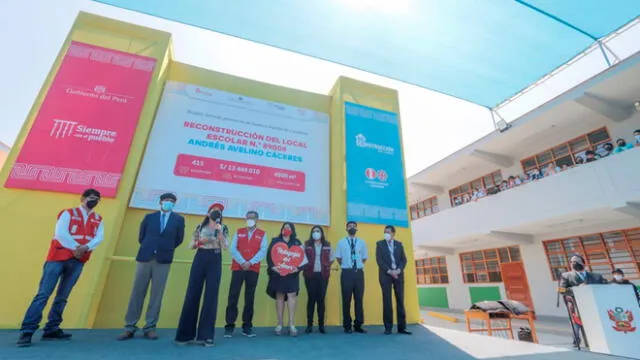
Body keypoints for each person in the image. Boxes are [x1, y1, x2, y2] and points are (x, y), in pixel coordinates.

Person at [17, 189, 105, 348]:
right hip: (57, 258)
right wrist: (77, 248)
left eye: (97, 199)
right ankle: (27, 331)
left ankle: (52, 328)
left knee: (63, 296)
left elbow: (99, 238)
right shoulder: (68, 213)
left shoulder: (98, 219)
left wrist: (85, 248)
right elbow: (61, 234)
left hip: (78, 261)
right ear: (83, 198)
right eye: (91, 198)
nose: (94, 201)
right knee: (43, 294)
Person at [118, 193, 185, 341]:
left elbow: (178, 239)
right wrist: (151, 247)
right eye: (167, 200)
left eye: (172, 201)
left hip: (163, 260)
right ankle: (129, 327)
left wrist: (164, 248)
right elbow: (141, 237)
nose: (169, 203)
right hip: (145, 257)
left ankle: (150, 327)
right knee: (137, 292)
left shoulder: (178, 220)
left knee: (157, 295)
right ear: (160, 202)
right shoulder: (150, 218)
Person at [175, 203, 228, 347]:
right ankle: (185, 335)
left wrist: (220, 233)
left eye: (219, 212)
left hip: (215, 259)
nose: (217, 213)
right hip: (200, 258)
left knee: (211, 296)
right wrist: (200, 242)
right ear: (208, 213)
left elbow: (225, 246)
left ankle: (206, 336)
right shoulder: (200, 227)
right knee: (192, 293)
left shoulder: (222, 228)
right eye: (214, 211)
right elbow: (190, 245)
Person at [224, 210, 268, 338]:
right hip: (238, 268)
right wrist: (243, 262)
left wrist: (250, 262)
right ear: (245, 218)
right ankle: (229, 326)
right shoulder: (239, 232)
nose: (250, 219)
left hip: (253, 269)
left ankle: (247, 326)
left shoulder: (262, 234)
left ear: (257, 219)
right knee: (233, 296)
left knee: (249, 297)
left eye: (253, 217)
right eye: (248, 217)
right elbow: (233, 249)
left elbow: (263, 250)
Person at [266, 222, 308, 336]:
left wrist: (298, 269)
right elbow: (269, 256)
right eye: (284, 227)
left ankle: (291, 325)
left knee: (291, 297)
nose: (286, 229)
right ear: (281, 229)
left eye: (289, 227)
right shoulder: (275, 241)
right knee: (279, 296)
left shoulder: (297, 242)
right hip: (278, 274)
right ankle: (279, 324)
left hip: (292, 275)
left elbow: (304, 260)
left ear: (293, 230)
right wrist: (273, 267)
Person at [559, 255, 607, 348]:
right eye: (571, 262)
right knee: (576, 325)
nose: (573, 264)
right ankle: (576, 340)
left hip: (593, 305)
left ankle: (591, 342)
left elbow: (604, 287)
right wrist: (577, 289)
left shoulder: (596, 276)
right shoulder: (566, 276)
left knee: (592, 324)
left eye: (576, 261)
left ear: (583, 263)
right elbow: (561, 290)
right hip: (576, 305)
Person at [376, 225, 411, 335]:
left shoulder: (399, 244)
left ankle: (402, 327)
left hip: (398, 275)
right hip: (385, 275)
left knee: (400, 300)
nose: (386, 233)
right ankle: (388, 327)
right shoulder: (379, 244)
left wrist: (398, 270)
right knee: (387, 301)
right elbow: (379, 261)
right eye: (385, 232)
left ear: (393, 233)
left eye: (389, 232)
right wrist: (390, 271)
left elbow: (403, 260)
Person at [335, 221, 368, 334]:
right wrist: (347, 266)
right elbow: (338, 258)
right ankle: (347, 325)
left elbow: (364, 258)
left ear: (357, 229)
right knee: (346, 299)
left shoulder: (362, 242)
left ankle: (358, 325)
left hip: (358, 273)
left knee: (359, 299)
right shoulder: (341, 242)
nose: (352, 228)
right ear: (346, 229)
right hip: (346, 273)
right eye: (349, 226)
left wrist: (356, 266)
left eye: (354, 227)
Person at [303, 226, 334, 334]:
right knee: (311, 299)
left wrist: (325, 266)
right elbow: (302, 257)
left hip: (323, 275)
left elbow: (332, 258)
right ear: (311, 233)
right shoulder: (306, 244)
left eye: (318, 231)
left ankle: (321, 325)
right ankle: (309, 325)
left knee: (321, 299)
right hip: (309, 275)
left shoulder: (327, 245)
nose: (316, 233)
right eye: (314, 231)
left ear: (321, 233)